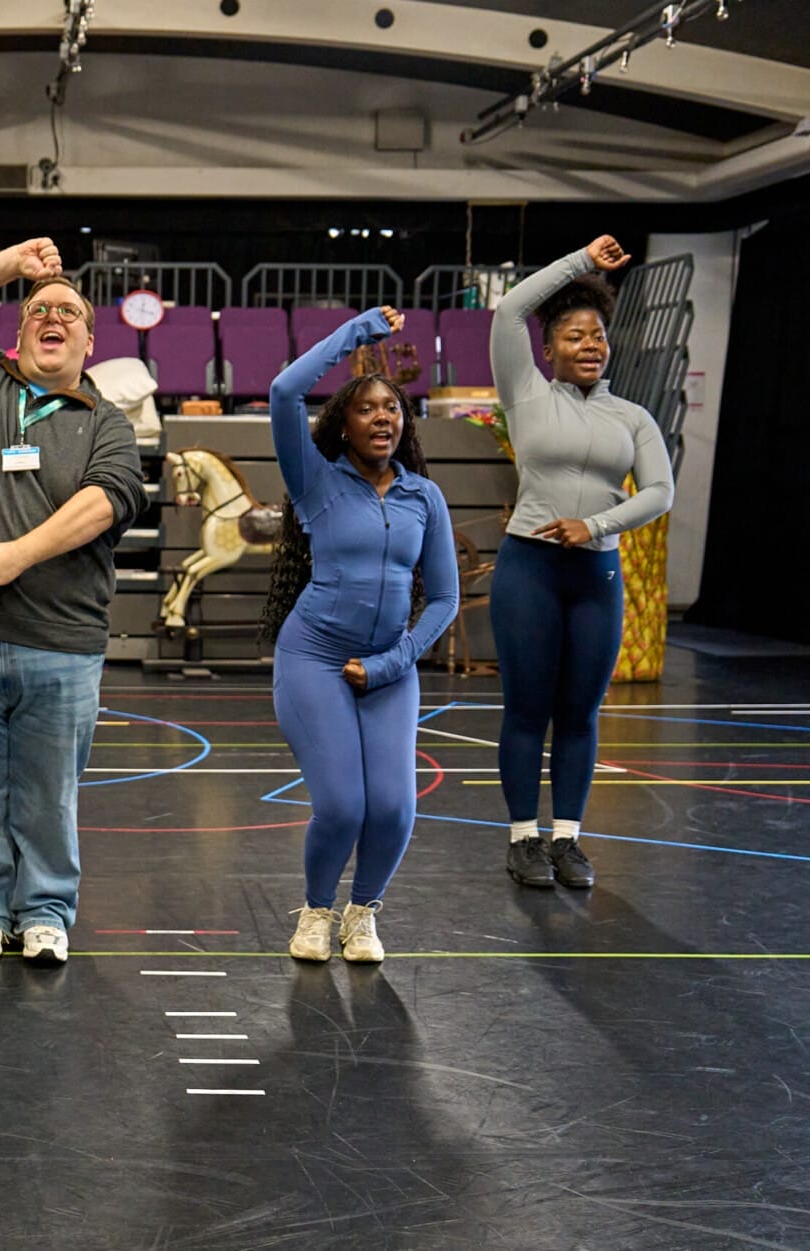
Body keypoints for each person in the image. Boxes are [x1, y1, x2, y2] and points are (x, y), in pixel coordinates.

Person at [0, 240, 147, 966]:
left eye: (68, 313)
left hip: (60, 644)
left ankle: (45, 910)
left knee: (48, 796)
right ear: (15, 333)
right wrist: (17, 261)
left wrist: (21, 553)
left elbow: (107, 501)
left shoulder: (107, 423)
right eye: (39, 309)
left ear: (89, 338)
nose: (53, 317)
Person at [261, 308, 459, 964]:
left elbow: (446, 598)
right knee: (343, 805)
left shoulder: (423, 497)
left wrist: (393, 662)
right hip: (313, 658)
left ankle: (362, 912)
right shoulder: (314, 482)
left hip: (389, 667)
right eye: (369, 407)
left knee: (395, 810)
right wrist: (358, 335)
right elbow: (285, 391)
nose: (384, 417)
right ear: (343, 422)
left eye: (394, 408)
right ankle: (317, 911)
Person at [488, 235, 675, 889]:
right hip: (529, 572)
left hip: (596, 576)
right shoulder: (527, 394)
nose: (590, 344)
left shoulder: (633, 417)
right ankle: (522, 839)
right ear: (549, 349)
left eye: (598, 333)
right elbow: (509, 310)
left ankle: (567, 838)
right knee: (526, 710)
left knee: (580, 713)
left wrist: (595, 524)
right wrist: (581, 264)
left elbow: (659, 492)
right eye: (573, 334)